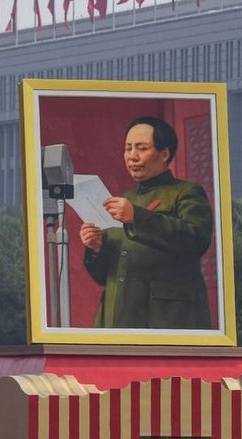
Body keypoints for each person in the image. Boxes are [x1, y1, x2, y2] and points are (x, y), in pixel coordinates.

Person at [80, 116, 214, 330]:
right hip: (115, 319)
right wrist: (96, 248)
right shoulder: (122, 200)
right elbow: (103, 276)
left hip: (164, 319)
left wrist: (137, 217)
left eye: (141, 148)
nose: (132, 156)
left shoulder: (186, 192)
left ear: (164, 154)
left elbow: (195, 240)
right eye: (128, 148)